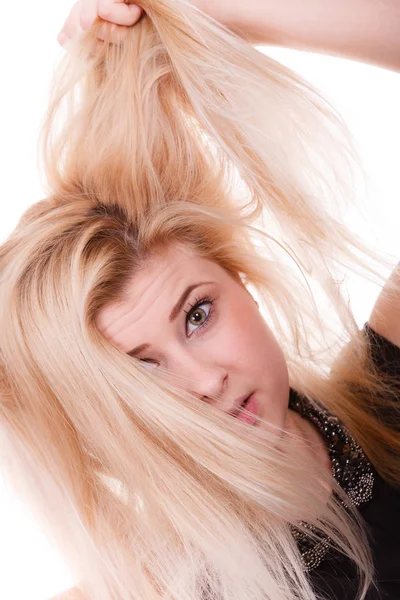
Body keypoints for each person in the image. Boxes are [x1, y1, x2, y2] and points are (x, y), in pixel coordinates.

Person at [0, 1, 399, 599]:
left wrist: (187, 9)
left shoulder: (384, 394)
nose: (205, 381)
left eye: (197, 315)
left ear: (243, 283)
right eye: (141, 368)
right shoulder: (147, 590)